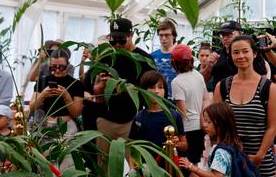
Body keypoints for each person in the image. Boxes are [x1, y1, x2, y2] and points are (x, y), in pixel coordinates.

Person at [213, 35, 276, 177]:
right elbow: (214, 122)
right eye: (236, 52)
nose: (241, 56)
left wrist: (260, 155)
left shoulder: (268, 87)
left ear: (255, 53)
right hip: (231, 160)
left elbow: (273, 125)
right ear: (230, 56)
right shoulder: (222, 86)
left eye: (245, 51)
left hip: (260, 160)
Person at [83, 18, 153, 154]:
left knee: (128, 165)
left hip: (130, 120)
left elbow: (149, 91)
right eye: (113, 40)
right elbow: (87, 84)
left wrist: (121, 88)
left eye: (121, 40)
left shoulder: (144, 59)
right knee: (103, 164)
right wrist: (98, 88)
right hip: (105, 119)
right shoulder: (106, 56)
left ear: (131, 35)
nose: (117, 44)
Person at [129, 70, 186, 177]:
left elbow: (185, 145)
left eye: (160, 87)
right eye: (152, 87)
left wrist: (176, 143)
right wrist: (133, 169)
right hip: (145, 172)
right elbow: (132, 146)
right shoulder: (139, 118)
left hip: (169, 171)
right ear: (144, 90)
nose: (157, 91)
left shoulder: (174, 115)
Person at [178, 102, 240, 177]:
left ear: (221, 124)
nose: (204, 124)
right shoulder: (228, 145)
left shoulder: (221, 151)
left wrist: (192, 167)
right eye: (204, 121)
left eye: (209, 122)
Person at [170, 44, 209, 177]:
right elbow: (206, 98)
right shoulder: (198, 75)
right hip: (198, 126)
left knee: (182, 167)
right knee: (194, 165)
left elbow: (182, 110)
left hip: (186, 129)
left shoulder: (177, 82)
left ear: (174, 63)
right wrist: (203, 119)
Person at [29, 49, 84, 135]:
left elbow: (76, 113)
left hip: (66, 126)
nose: (57, 70)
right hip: (45, 125)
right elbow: (32, 107)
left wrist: (66, 96)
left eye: (61, 67)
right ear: (49, 65)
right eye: (53, 67)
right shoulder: (43, 81)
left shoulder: (75, 84)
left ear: (68, 65)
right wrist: (43, 95)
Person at [150, 20, 178, 99]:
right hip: (159, 98)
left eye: (167, 35)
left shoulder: (180, 54)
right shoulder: (152, 56)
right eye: (161, 35)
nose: (163, 38)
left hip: (178, 98)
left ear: (173, 36)